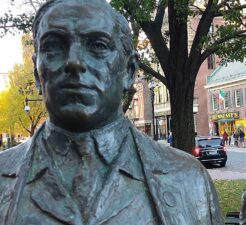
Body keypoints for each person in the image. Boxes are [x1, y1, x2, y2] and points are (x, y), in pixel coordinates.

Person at [0, 1, 223, 224]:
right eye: (54, 46)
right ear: (37, 74)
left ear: (129, 71)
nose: (74, 62)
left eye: (98, 46)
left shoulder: (188, 178)